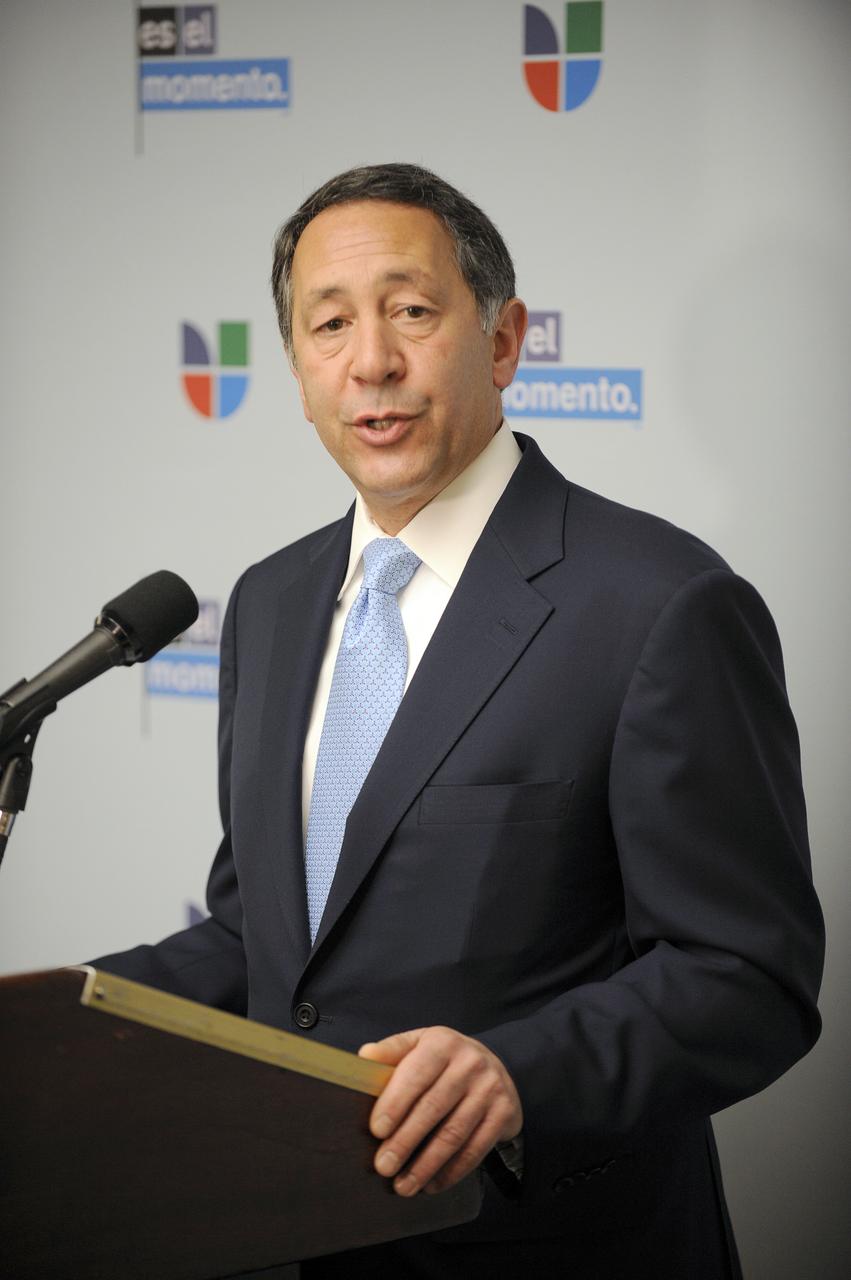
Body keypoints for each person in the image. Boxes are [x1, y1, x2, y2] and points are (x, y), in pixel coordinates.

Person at [96, 163, 824, 1278]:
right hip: (292, 1236)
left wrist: (517, 1074)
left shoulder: (656, 602)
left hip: (552, 1247)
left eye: (411, 311)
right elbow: (267, 942)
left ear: (501, 339)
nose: (371, 360)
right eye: (327, 323)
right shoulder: (269, 600)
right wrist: (63, 1014)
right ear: (295, 369)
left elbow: (746, 973)